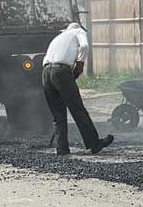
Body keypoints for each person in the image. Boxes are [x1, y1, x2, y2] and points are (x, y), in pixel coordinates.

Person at [42, 22, 113, 156]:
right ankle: (94, 144)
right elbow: (85, 46)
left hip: (46, 73)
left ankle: (61, 149)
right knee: (77, 109)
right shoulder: (79, 32)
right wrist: (79, 64)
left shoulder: (59, 37)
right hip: (61, 71)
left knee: (58, 115)